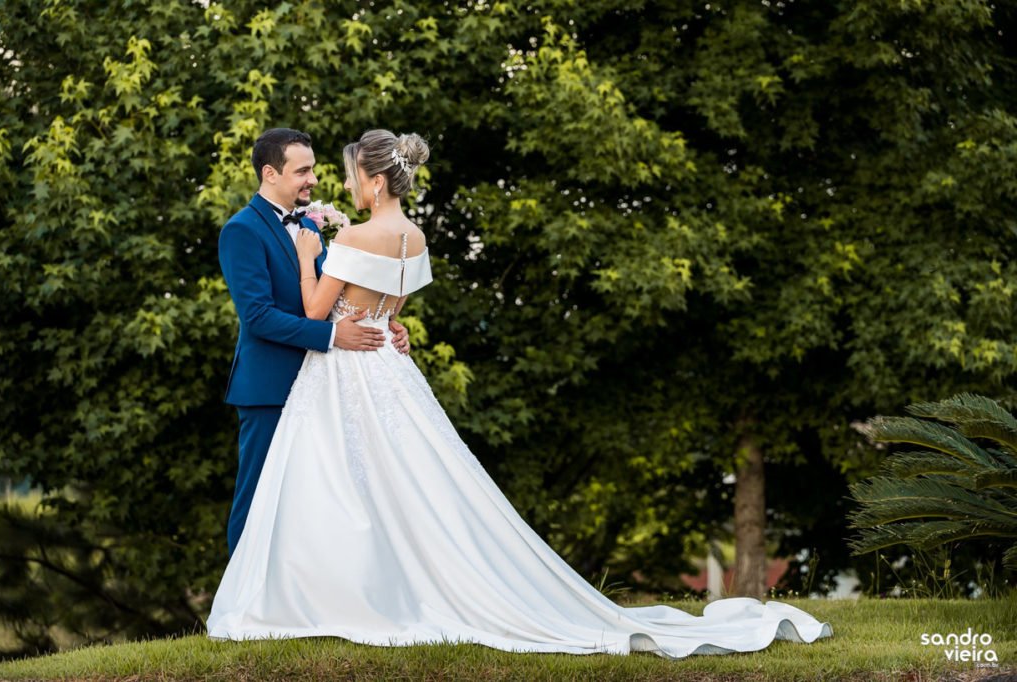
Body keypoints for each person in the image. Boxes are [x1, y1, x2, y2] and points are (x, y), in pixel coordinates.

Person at [206, 129, 833, 658]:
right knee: (379, 488)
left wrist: (312, 258)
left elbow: (324, 306)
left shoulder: (341, 237)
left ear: (371, 181)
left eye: (334, 173)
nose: (325, 183)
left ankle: (332, 597)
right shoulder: (404, 237)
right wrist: (378, 321)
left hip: (348, 371)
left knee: (353, 491)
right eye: (306, 170)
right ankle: (290, 589)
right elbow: (300, 312)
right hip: (374, 375)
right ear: (272, 172)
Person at [216, 128, 410, 557]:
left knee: (313, 500)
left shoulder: (311, 224)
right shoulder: (241, 231)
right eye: (302, 171)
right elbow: (258, 317)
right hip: (269, 385)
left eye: (314, 170)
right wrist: (331, 335)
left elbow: (334, 295)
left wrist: (387, 318)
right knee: (258, 495)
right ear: (270, 173)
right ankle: (239, 605)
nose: (313, 180)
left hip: (323, 384)